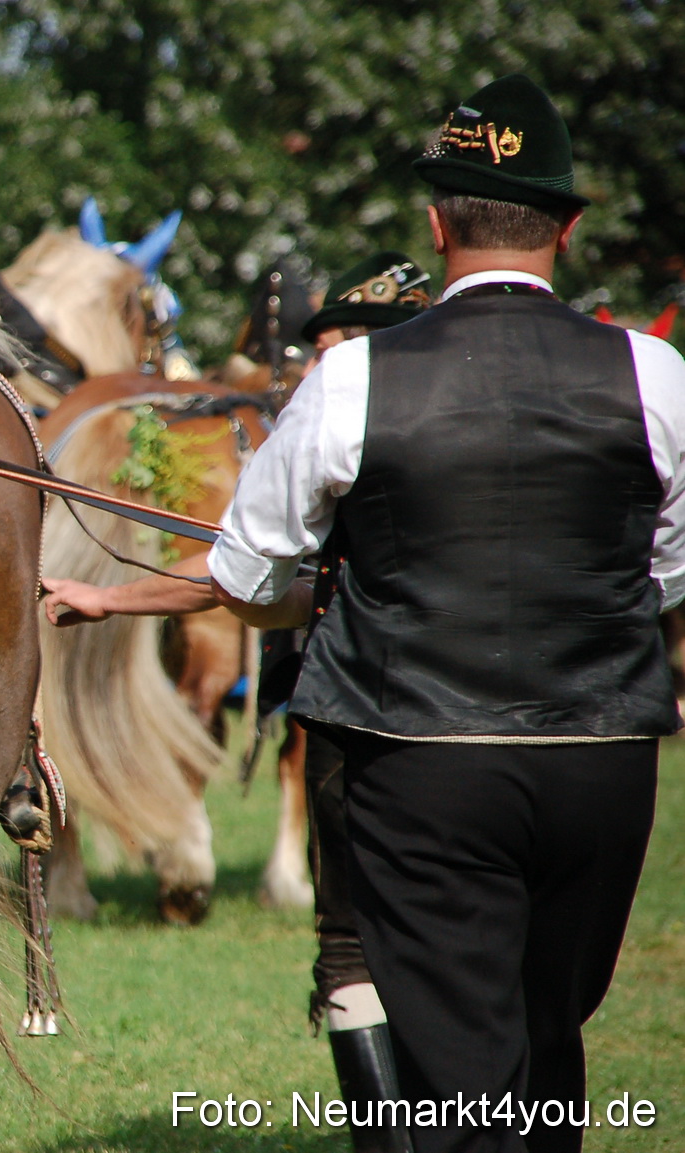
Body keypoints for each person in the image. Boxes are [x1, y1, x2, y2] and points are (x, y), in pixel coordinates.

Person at [205, 76, 681, 1153]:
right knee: (548, 1038)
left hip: (422, 762)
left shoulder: (350, 379)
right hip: (604, 761)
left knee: (463, 1077)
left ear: (436, 222)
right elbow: (667, 571)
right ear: (566, 225)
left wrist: (341, 572)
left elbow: (241, 578)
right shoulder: (656, 375)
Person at [44, 250, 434, 1153]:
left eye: (336, 337)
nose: (318, 356)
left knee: (355, 952)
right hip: (564, 735)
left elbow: (245, 572)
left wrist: (114, 596)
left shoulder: (340, 405)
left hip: (382, 725)